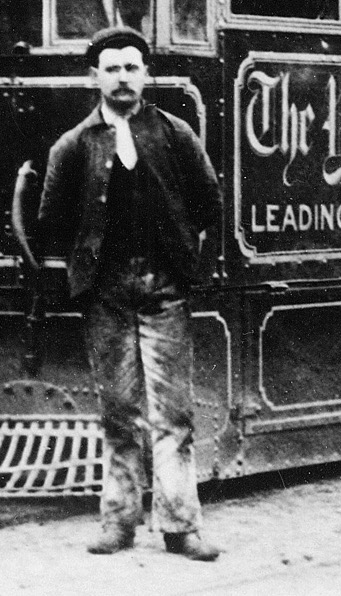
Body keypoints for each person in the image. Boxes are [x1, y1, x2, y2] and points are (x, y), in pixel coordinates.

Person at [38, 26, 222, 561]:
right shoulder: (72, 146)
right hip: (108, 294)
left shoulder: (175, 133)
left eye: (131, 66)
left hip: (164, 288)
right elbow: (51, 219)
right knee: (118, 410)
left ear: (146, 74)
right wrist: (90, 258)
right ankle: (118, 522)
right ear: (94, 76)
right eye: (112, 67)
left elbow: (208, 201)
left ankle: (180, 526)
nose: (122, 77)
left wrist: (180, 251)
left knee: (173, 413)